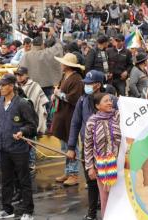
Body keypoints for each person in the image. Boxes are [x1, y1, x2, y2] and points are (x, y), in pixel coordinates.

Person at [0, 74, 38, 220]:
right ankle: (7, 209)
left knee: (24, 180)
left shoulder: (22, 103)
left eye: (3, 85)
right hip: (3, 148)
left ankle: (28, 211)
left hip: (18, 148)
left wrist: (22, 131)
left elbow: (32, 125)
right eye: (0, 85)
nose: (1, 88)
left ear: (11, 86)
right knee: (6, 180)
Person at [67, 70, 108, 220]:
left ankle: (108, 213)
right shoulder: (82, 100)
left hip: (106, 149)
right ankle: (91, 214)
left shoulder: (109, 100)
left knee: (107, 182)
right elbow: (75, 123)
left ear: (97, 85)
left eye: (89, 84)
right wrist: (71, 147)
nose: (86, 86)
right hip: (88, 148)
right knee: (91, 181)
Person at [84, 93, 121, 219]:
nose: (110, 103)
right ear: (97, 105)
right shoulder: (91, 122)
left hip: (120, 165)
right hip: (102, 168)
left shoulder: (118, 116)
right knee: (105, 199)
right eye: (106, 101)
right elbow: (87, 146)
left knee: (120, 198)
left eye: (110, 100)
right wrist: (90, 167)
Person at [51, 53, 84, 187]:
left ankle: (74, 174)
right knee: (65, 146)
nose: (61, 64)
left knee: (72, 146)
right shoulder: (65, 76)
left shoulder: (76, 79)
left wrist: (58, 94)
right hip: (62, 115)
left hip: (71, 116)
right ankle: (68, 171)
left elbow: (73, 99)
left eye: (63, 63)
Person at [15, 66, 48, 135]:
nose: (18, 76)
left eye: (21, 75)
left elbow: (43, 102)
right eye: (17, 74)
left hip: (32, 115)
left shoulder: (34, 85)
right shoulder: (15, 86)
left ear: (26, 75)